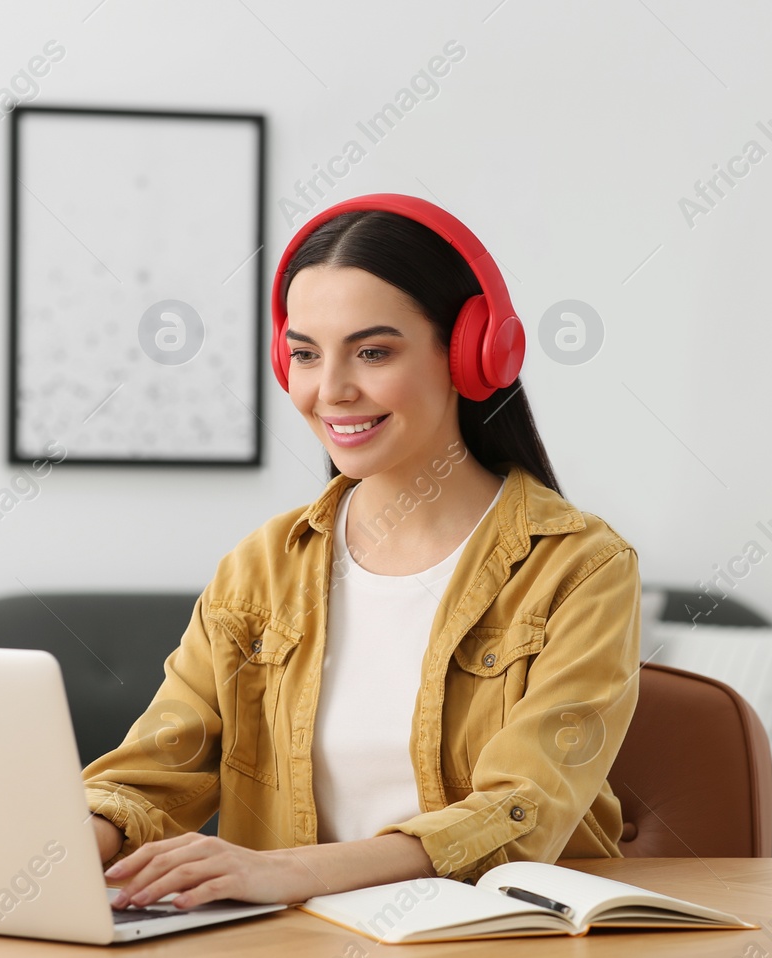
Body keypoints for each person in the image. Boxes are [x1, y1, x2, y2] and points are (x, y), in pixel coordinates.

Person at [84, 193, 641, 911]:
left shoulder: (579, 567)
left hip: (500, 954)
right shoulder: (260, 569)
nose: (332, 390)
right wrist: (59, 842)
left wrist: (290, 871)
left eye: (373, 351)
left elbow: (524, 807)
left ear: (474, 354)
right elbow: (156, 769)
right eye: (306, 355)